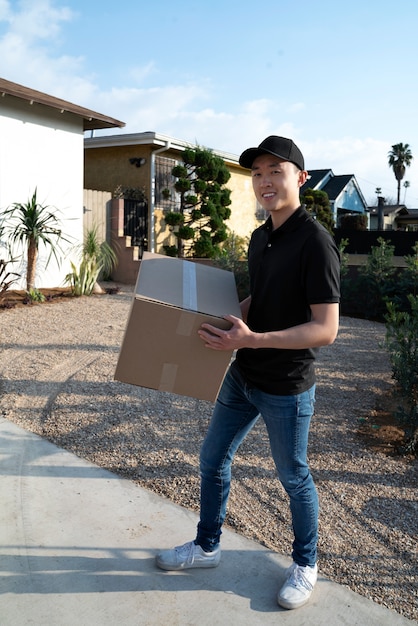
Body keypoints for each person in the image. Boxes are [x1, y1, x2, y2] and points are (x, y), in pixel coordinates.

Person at [156, 135, 341, 610]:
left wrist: (252, 340)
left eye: (275, 171)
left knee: (293, 475)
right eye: (257, 173)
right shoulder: (261, 236)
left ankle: (305, 564)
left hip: (286, 385)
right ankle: (206, 547)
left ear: (300, 178)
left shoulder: (315, 243)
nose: (264, 181)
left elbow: (325, 329)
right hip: (244, 373)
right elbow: (260, 298)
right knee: (212, 459)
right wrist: (222, 320)